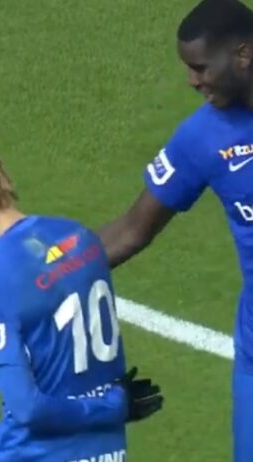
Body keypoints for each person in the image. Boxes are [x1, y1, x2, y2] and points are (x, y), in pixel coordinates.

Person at [0, 147, 163, 462]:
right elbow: (51, 310)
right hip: (105, 451)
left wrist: (113, 407)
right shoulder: (80, 237)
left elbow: (28, 409)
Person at [95, 1, 253, 460]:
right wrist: (30, 279)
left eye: (200, 68)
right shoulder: (201, 137)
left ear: (243, 54)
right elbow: (131, 230)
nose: (192, 81)